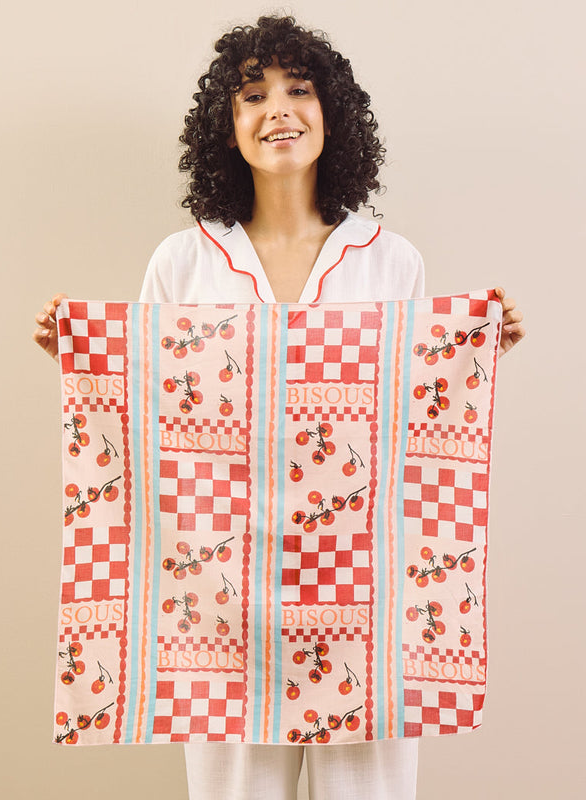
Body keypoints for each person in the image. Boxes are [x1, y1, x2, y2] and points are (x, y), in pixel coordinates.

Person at [33, 15, 525, 800]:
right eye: (254, 95)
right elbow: (148, 411)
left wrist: (471, 351)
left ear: (333, 116)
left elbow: (410, 421)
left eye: (299, 91)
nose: (279, 110)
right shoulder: (183, 260)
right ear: (226, 128)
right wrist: (88, 358)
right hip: (222, 618)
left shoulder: (391, 260)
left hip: (359, 609)